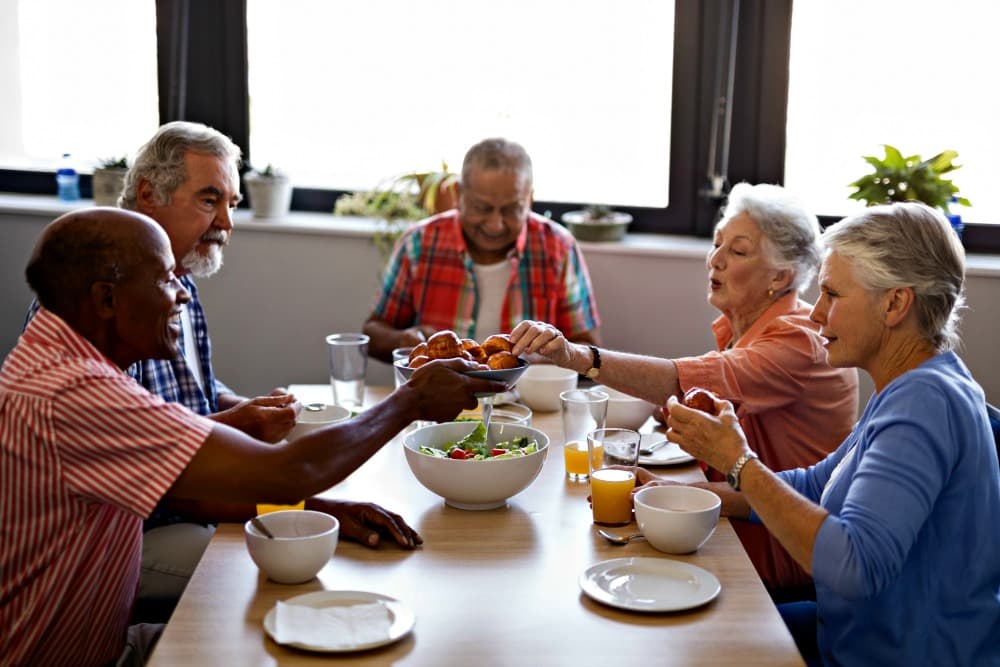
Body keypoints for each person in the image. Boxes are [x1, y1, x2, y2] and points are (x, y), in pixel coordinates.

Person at [0, 208, 505, 667]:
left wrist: (322, 510)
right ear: (106, 299)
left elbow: (205, 486)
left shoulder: (68, 365)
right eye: (164, 279)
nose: (181, 293)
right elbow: (289, 472)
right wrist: (410, 400)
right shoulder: (78, 393)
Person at [656, 202, 1000, 665]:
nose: (815, 315)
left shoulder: (925, 405)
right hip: (848, 632)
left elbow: (856, 566)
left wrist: (739, 461)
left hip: (894, 655)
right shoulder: (913, 384)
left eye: (832, 295)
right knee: (689, 629)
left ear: (895, 303)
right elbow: (818, 485)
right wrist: (681, 493)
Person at [116, 121, 429, 606]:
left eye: (232, 204)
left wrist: (246, 408)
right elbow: (158, 476)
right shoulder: (107, 302)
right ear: (148, 194)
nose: (226, 223)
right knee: (281, 572)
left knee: (320, 550)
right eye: (208, 199)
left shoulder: (179, 277)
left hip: (195, 500)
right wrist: (308, 500)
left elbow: (190, 393)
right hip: (139, 530)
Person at [511, 182, 859, 597]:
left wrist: (578, 356)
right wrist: (672, 492)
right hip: (737, 526)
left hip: (776, 560)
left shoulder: (799, 341)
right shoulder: (748, 329)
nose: (716, 260)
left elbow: (683, 379)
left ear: (780, 276)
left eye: (739, 251)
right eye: (717, 244)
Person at [363, 137, 602, 363]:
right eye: (482, 208)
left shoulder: (558, 247)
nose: (495, 224)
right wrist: (404, 340)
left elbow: (588, 350)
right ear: (459, 194)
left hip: (529, 403)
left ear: (529, 200)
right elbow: (373, 334)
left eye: (511, 210)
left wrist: (558, 350)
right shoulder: (419, 243)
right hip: (439, 401)